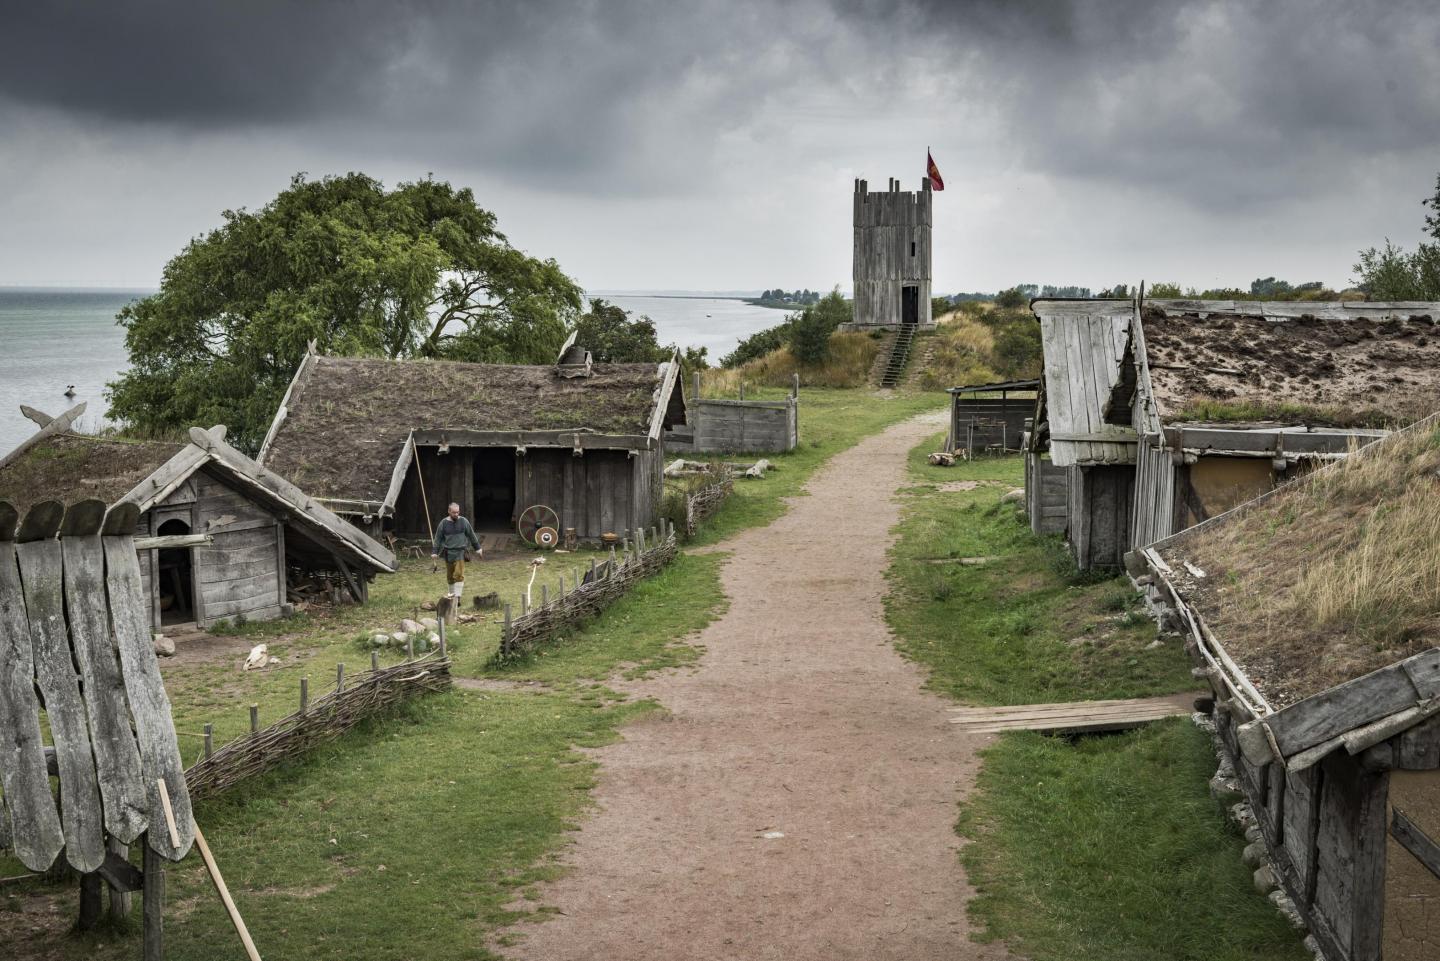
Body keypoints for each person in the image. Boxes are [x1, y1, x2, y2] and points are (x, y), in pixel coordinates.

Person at [431, 502, 482, 599]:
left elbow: (471, 535)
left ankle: (457, 598)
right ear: (449, 511)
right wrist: (434, 552)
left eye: (458, 512)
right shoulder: (443, 523)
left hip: (460, 552)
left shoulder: (464, 521)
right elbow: (438, 539)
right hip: (448, 553)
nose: (456, 514)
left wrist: (478, 548)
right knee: (450, 577)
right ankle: (451, 595)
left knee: (458, 574)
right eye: (454, 512)